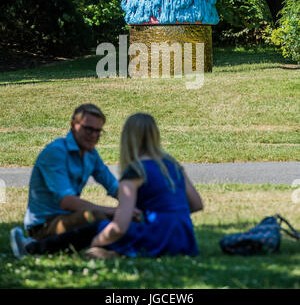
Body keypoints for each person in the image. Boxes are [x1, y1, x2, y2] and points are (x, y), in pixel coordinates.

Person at [11, 113, 203, 259]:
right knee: (104, 223)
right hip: (185, 239)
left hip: (156, 237)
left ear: (128, 138)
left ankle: (32, 249)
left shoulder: (136, 171)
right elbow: (196, 204)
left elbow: (119, 227)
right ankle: (109, 252)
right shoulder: (172, 165)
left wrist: (97, 240)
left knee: (99, 226)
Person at [12, 103, 119, 245]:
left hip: (68, 219)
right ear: (73, 125)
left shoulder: (90, 154)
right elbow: (67, 201)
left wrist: (135, 205)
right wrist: (112, 211)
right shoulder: (56, 152)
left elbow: (114, 186)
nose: (94, 136)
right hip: (43, 225)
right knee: (96, 217)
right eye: (88, 129)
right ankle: (32, 246)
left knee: (120, 219)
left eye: (98, 131)